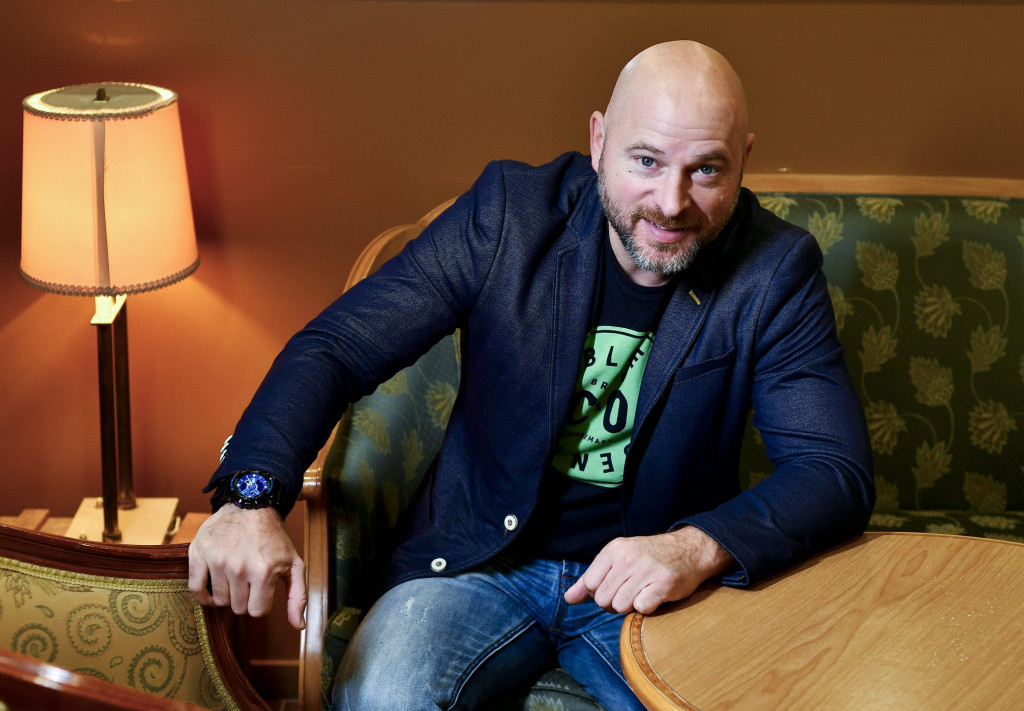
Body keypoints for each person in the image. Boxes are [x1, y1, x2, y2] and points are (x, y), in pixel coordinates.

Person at [189, 40, 874, 710]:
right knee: (382, 694)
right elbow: (338, 346)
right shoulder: (509, 216)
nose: (671, 201)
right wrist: (251, 498)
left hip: (653, 590)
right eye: (646, 160)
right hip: (479, 562)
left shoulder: (775, 268)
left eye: (707, 170)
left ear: (744, 160)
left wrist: (694, 549)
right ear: (599, 140)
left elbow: (831, 468)